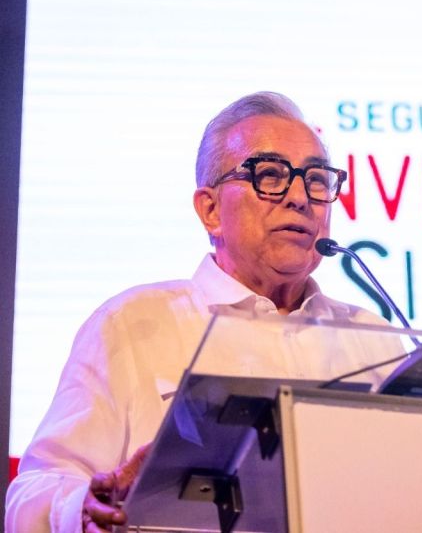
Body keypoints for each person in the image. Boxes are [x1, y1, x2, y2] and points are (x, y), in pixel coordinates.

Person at [5, 92, 402, 532]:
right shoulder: (132, 325)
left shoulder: (374, 341)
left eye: (316, 180)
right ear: (210, 210)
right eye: (270, 175)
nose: (299, 198)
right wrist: (81, 508)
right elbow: (33, 490)